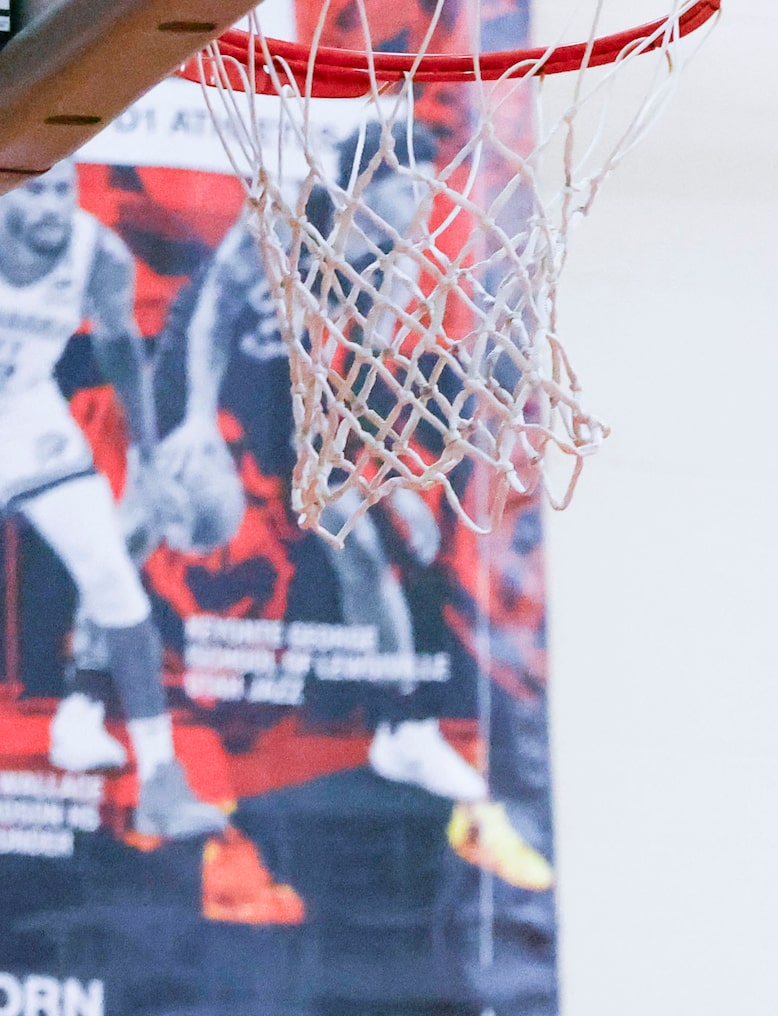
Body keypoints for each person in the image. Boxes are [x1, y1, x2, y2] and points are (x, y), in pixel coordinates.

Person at [149, 117, 552, 891]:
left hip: (297, 414)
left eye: (429, 194)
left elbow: (356, 390)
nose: (422, 207)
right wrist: (194, 421)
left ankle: (401, 726)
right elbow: (207, 318)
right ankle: (110, 710)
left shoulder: (391, 269)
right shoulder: (281, 219)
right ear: (367, 184)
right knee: (149, 527)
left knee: (381, 542)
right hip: (211, 381)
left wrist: (379, 482)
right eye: (410, 188)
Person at [0, 161, 226, 841]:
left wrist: (149, 457)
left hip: (26, 415)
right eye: (34, 191)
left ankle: (160, 780)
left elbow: (121, 346)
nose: (49, 208)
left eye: (61, 191)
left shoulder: (93, 251)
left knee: (115, 584)